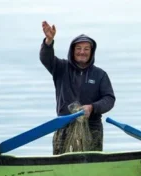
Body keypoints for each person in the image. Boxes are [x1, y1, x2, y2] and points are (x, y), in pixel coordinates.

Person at [40, 21, 115, 155]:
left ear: (91, 52)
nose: (82, 52)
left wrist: (92, 107)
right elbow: (46, 58)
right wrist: (48, 41)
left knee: (92, 164)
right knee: (61, 164)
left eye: (86, 49)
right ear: (72, 50)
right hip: (64, 126)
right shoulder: (61, 68)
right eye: (79, 48)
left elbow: (109, 99)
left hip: (92, 128)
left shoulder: (100, 75)